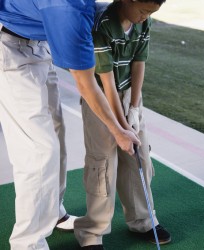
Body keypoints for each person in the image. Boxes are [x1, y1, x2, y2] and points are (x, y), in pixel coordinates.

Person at [0, 1, 140, 249]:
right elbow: (86, 85)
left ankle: (53, 211)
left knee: (56, 130)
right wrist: (118, 131)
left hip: (39, 44)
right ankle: (27, 243)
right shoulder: (67, 9)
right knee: (40, 152)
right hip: (9, 48)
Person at [75, 0, 171, 249]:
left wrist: (135, 107)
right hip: (100, 98)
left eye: (151, 12)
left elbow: (139, 63)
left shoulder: (143, 22)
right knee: (103, 163)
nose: (145, 16)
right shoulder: (102, 25)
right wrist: (121, 129)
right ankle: (92, 233)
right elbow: (106, 84)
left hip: (128, 94)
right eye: (143, 10)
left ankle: (143, 219)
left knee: (140, 157)